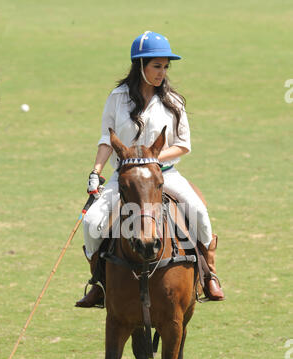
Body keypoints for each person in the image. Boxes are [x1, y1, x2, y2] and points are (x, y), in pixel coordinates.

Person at [75, 31, 224, 308]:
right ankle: (98, 283)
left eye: (166, 66)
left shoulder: (173, 101)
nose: (162, 72)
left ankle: (208, 275)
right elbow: (107, 140)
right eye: (157, 66)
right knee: (92, 222)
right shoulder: (118, 98)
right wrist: (96, 170)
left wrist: (151, 161)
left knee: (199, 212)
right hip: (125, 179)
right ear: (140, 66)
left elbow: (183, 145)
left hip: (163, 175)